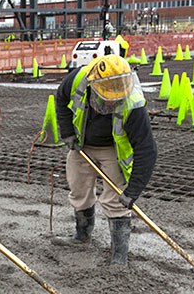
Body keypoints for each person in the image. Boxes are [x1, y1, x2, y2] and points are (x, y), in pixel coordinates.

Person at [54, 54, 157, 265]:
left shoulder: (133, 103)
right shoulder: (77, 80)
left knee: (116, 200)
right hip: (83, 145)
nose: (112, 102)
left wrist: (133, 191)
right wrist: (67, 133)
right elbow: (61, 99)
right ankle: (82, 236)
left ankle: (119, 257)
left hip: (112, 149)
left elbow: (147, 150)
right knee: (79, 190)